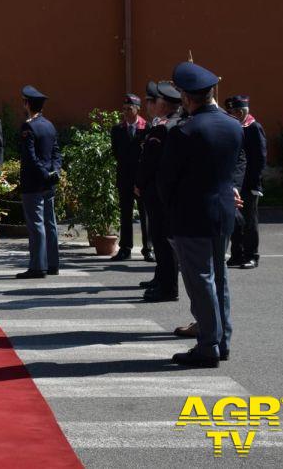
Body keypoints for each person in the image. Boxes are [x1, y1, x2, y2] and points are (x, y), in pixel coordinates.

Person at [158, 62, 245, 367]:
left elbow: (166, 181)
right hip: (223, 212)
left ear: (186, 97)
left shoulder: (185, 131)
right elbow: (233, 168)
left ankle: (208, 346)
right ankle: (222, 341)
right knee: (219, 279)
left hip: (191, 215)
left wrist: (169, 212)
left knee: (200, 281)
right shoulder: (233, 126)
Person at [136, 82, 183, 303]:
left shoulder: (164, 127)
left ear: (162, 104)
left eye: (150, 101)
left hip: (157, 191)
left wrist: (139, 183)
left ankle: (168, 287)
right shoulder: (172, 123)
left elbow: (150, 162)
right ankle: (161, 279)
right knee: (161, 238)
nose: (147, 105)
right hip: (163, 191)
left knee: (163, 239)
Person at [16, 86, 61, 278]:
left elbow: (30, 157)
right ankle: (52, 264)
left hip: (34, 182)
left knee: (36, 225)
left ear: (27, 104)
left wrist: (44, 174)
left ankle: (38, 266)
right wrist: (54, 172)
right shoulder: (49, 125)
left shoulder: (28, 127)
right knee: (50, 223)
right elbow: (56, 153)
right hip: (48, 182)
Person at [225, 95, 267, 269]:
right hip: (236, 182)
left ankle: (251, 255)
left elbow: (260, 157)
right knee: (236, 220)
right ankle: (237, 254)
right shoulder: (236, 127)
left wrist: (255, 184)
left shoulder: (253, 127)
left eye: (233, 112)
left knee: (249, 221)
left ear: (241, 112)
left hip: (249, 183)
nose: (231, 115)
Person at [110, 94, 149, 261]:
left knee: (145, 213)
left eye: (129, 109)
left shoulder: (147, 128)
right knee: (125, 214)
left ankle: (148, 248)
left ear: (137, 109)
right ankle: (125, 248)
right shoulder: (117, 129)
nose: (125, 112)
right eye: (124, 109)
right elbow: (116, 153)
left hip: (142, 178)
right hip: (125, 178)